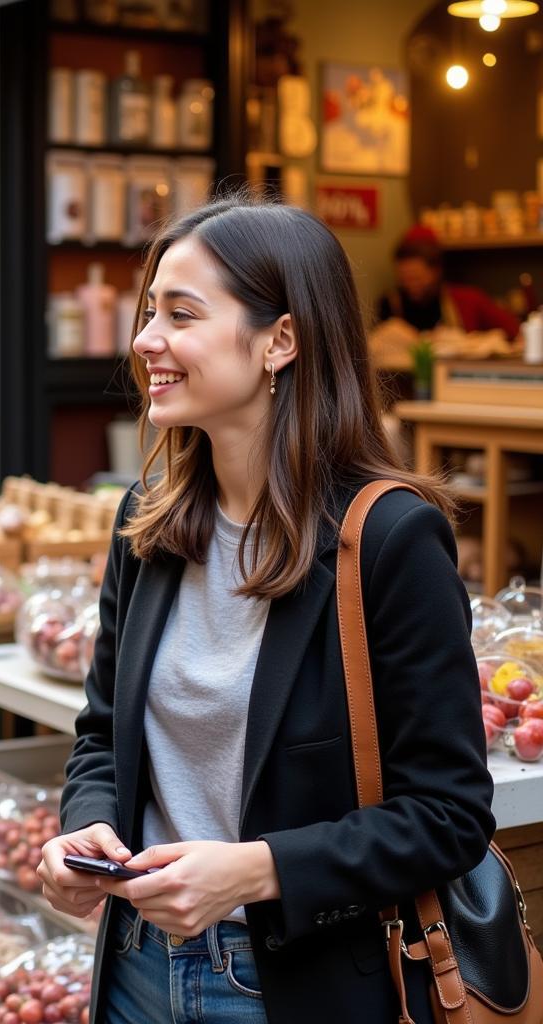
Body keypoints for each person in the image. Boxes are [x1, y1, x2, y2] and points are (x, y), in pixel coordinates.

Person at [37, 196, 494, 1024]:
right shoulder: (150, 518)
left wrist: (258, 870)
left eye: (181, 314)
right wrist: (86, 828)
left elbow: (449, 816)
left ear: (280, 340)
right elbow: (104, 734)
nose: (145, 342)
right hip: (137, 969)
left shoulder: (388, 539)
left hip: (294, 987)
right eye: (148, 314)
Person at [377, 225, 520, 339]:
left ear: (436, 272)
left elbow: (513, 330)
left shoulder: (468, 300)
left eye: (417, 278)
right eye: (404, 278)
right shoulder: (390, 304)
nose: (411, 284)